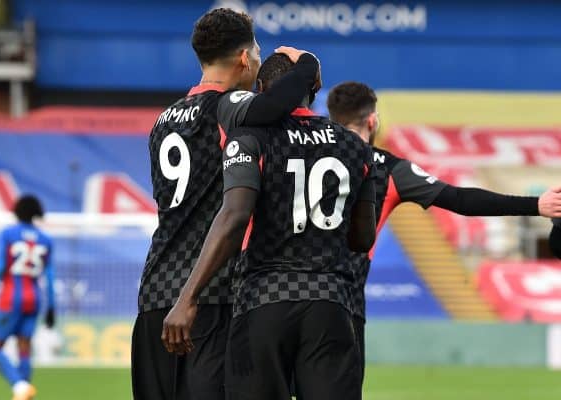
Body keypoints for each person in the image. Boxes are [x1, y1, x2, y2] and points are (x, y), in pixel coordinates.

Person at [162, 53, 376, 400]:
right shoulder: (355, 146)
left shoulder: (250, 139)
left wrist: (188, 297)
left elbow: (235, 217)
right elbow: (363, 239)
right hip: (331, 302)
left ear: (260, 89)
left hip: (264, 301)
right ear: (315, 88)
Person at [131, 8, 320, 400]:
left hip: (154, 294)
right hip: (207, 298)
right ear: (243, 58)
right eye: (257, 51)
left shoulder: (164, 119)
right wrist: (307, 66)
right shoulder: (227, 105)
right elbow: (275, 106)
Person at [327, 80, 561, 385]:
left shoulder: (294, 158)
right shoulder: (389, 169)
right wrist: (536, 205)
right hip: (341, 305)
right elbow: (461, 200)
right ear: (373, 120)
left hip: (275, 296)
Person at [0, 195, 55, 400]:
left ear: (17, 211)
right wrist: (52, 307)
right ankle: (23, 392)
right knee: (24, 347)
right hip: (34, 300)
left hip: (10, 298)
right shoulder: (46, 239)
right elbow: (49, 276)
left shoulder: (8, 234)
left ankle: (19, 384)